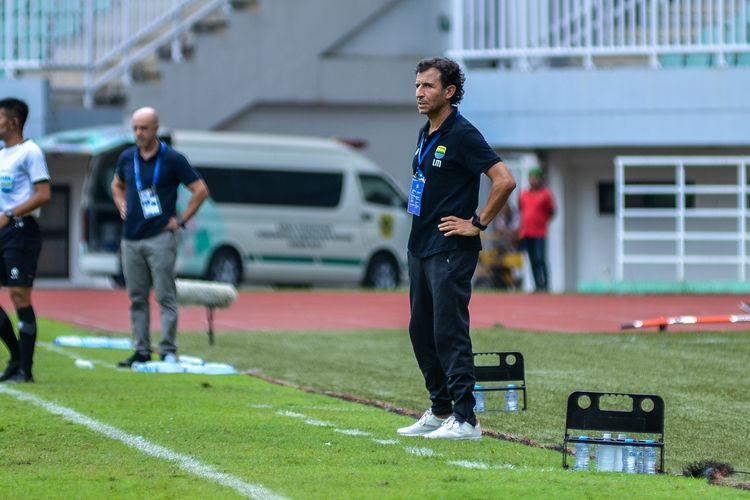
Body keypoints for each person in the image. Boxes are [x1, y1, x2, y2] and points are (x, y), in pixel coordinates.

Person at [397, 57, 516, 440]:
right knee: (421, 331)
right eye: (417, 85)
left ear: (449, 92)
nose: (419, 92)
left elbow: (504, 180)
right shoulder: (426, 131)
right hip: (421, 246)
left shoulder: (463, 134)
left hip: (451, 248)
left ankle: (466, 420)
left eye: (428, 86)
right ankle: (441, 408)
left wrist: (477, 222)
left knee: (449, 331)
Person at [112, 107, 209, 367]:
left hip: (160, 238)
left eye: (144, 128)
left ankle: (167, 349)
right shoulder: (126, 157)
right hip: (131, 238)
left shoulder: (172, 159)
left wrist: (181, 220)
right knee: (136, 298)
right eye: (135, 128)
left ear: (156, 128)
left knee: (165, 296)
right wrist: (120, 202)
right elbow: (117, 184)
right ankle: (141, 349)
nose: (138, 133)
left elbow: (200, 190)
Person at [0, 98, 52, 383]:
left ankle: (25, 369)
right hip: (2, 230)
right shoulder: (1, 154)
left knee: (19, 296)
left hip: (21, 231)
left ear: (13, 122)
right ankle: (16, 356)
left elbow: (43, 194)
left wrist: (9, 213)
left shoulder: (30, 152)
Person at [519, 167, 556, 292]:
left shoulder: (545, 194)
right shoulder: (524, 194)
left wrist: (543, 221)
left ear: (540, 179)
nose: (533, 180)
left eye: (535, 178)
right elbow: (521, 210)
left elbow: (551, 211)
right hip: (527, 232)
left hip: (540, 232)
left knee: (540, 258)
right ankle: (537, 286)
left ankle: (545, 285)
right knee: (532, 259)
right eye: (531, 178)